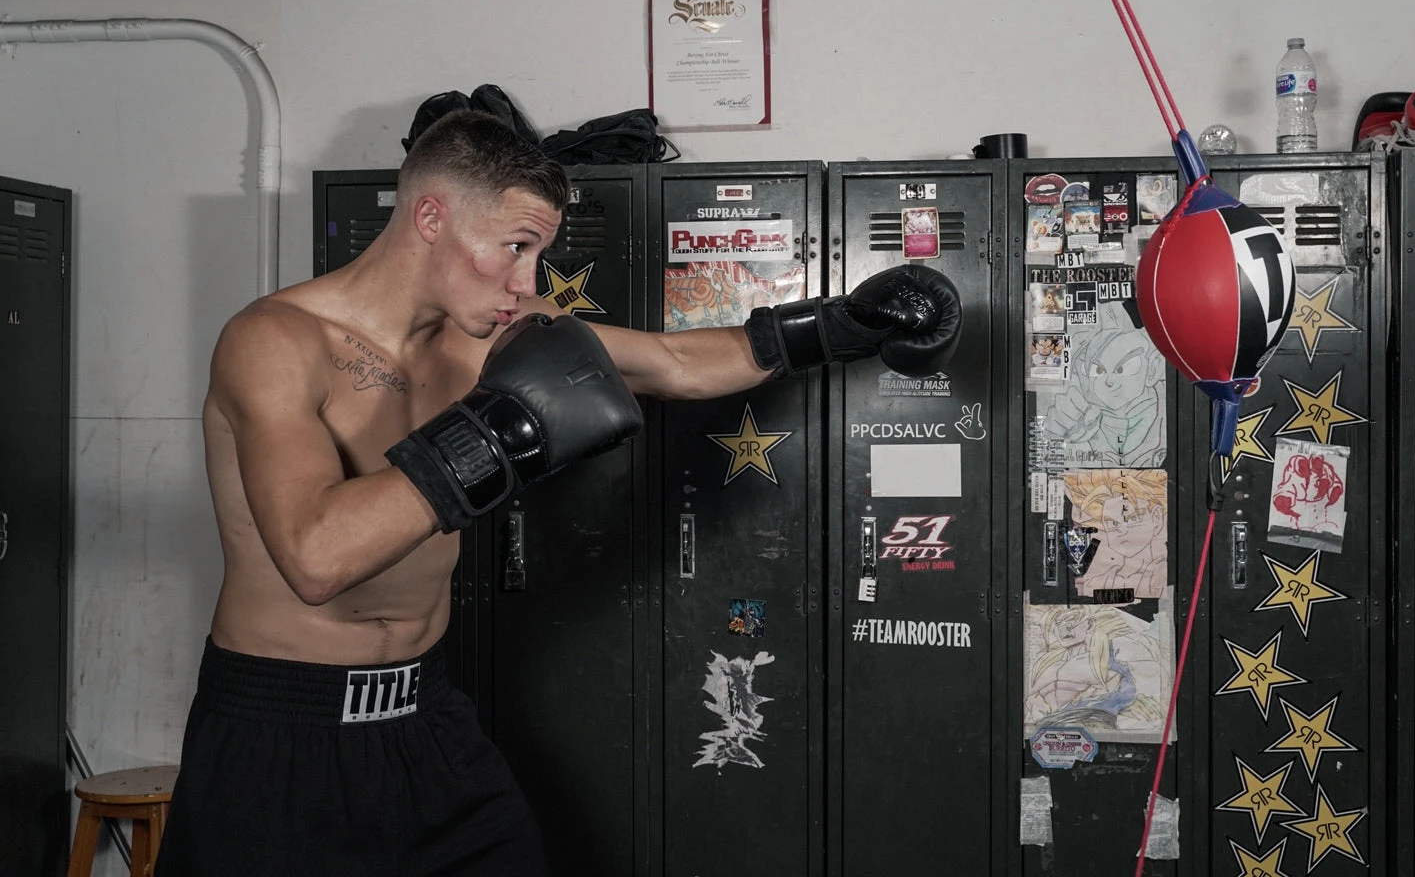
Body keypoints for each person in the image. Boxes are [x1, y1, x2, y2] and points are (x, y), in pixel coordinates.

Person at [153, 110, 962, 876]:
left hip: (425, 717)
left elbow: (673, 364)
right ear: (431, 217)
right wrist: (496, 433)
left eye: (537, 254)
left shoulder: (490, 332)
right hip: (280, 731)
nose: (526, 281)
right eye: (513, 246)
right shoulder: (275, 342)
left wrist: (839, 330)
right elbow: (316, 558)